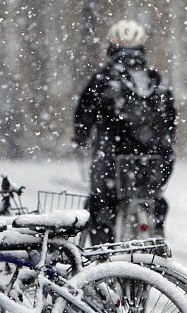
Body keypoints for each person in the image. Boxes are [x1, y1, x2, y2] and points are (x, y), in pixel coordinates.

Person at [73, 19, 177, 245]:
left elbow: (83, 112)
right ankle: (156, 233)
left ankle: (103, 256)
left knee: (101, 204)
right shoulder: (156, 79)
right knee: (153, 198)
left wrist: (81, 136)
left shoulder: (103, 77)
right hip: (153, 158)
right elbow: (170, 119)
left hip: (112, 157)